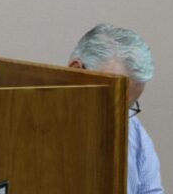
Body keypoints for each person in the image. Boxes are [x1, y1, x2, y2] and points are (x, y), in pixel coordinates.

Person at [68, 24, 163, 194]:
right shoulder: (27, 130)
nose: (118, 119)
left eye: (127, 108)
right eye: (113, 104)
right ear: (75, 73)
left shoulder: (134, 131)